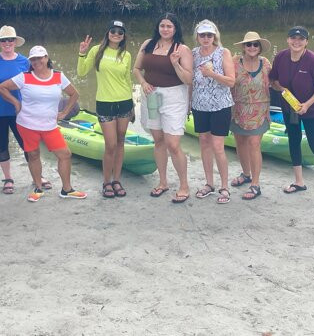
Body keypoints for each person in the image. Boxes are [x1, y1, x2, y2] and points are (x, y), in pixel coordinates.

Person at [0, 46, 86, 202]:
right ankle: (38, 188)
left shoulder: (59, 76)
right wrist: (16, 103)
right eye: (33, 59)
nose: (37, 61)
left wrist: (64, 112)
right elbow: (1, 88)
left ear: (46, 58)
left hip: (50, 126)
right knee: (33, 154)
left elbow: (74, 94)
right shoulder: (24, 77)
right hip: (27, 124)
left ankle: (67, 189)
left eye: (40, 58)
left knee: (65, 154)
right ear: (30, 61)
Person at [269, 26, 314, 206]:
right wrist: (282, 89)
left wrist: (307, 104)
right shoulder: (280, 57)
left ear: (306, 42)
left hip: (312, 109)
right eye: (293, 38)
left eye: (301, 39)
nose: (297, 42)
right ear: (288, 40)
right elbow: (273, 81)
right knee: (293, 141)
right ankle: (299, 182)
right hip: (290, 107)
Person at [132, 12, 193, 204]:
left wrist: (175, 64)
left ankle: (184, 185)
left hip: (174, 97)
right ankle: (163, 182)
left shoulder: (182, 49)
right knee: (158, 140)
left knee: (173, 144)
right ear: (158, 27)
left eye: (169, 26)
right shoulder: (147, 44)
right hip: (151, 95)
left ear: (175, 29)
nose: (165, 29)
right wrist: (142, 83)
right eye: (162, 26)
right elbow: (136, 69)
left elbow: (189, 79)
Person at [0, 26, 48, 194]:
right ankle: (8, 178)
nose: (7, 43)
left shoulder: (25, 62)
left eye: (10, 40)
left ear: (15, 42)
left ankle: (36, 176)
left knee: (27, 145)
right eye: (4, 40)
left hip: (21, 112)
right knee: (2, 145)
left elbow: (33, 85)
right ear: (0, 43)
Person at [77, 20, 133, 199]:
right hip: (105, 103)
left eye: (120, 32)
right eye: (113, 31)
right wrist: (82, 53)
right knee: (111, 145)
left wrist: (132, 105)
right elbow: (81, 72)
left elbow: (127, 80)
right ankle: (106, 182)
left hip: (124, 102)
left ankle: (117, 180)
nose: (116, 34)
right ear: (108, 32)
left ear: (124, 36)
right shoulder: (96, 51)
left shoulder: (126, 55)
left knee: (121, 142)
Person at [190, 20, 235, 204]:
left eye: (209, 35)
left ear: (215, 36)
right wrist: (187, 103)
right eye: (203, 35)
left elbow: (231, 81)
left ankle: (225, 186)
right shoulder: (193, 54)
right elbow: (189, 81)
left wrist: (213, 74)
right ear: (197, 36)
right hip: (200, 105)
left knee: (218, 146)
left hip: (220, 105)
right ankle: (209, 183)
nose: (206, 38)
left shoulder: (223, 52)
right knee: (204, 144)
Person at [229, 31, 273, 201]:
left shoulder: (266, 63)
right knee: (240, 142)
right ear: (244, 47)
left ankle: (255, 183)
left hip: (260, 110)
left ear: (260, 47)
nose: (252, 47)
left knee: (254, 143)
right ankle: (246, 174)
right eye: (249, 44)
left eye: (256, 44)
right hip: (237, 109)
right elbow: (225, 80)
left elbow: (275, 82)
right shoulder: (234, 62)